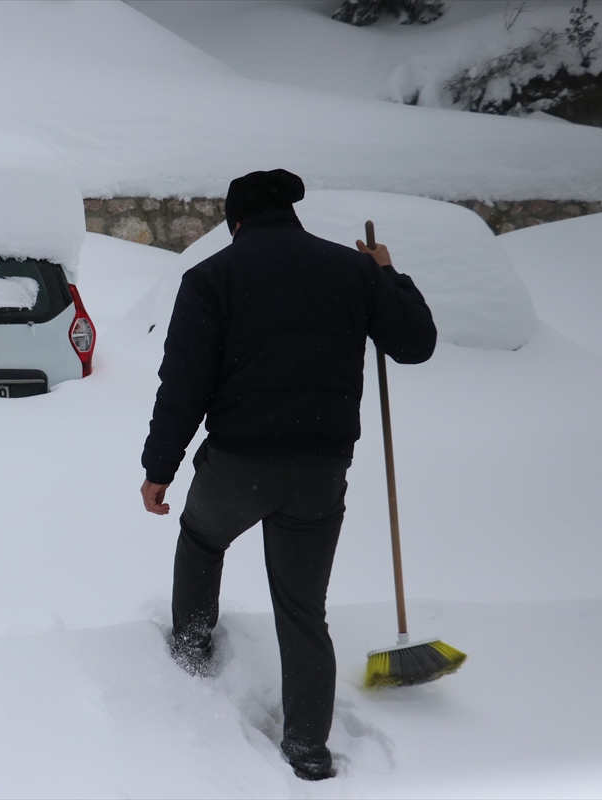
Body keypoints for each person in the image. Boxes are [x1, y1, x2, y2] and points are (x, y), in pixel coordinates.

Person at [139, 169, 437, 782]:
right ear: (292, 215)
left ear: (236, 220)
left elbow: (184, 384)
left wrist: (158, 469)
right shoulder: (352, 271)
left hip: (240, 461)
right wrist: (386, 272)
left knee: (202, 537)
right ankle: (308, 748)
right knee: (303, 609)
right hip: (321, 466)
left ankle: (192, 648)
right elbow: (415, 343)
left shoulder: (211, 277)